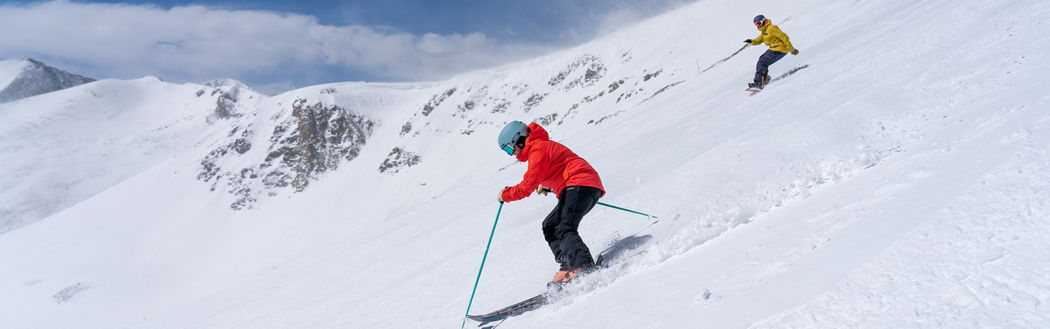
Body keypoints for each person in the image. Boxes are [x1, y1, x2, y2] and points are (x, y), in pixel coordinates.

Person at [496, 121, 605, 285]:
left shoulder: (538, 149)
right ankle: (568, 263)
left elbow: (527, 187)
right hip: (579, 185)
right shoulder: (539, 148)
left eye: (509, 149)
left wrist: (506, 194)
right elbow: (557, 166)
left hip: (580, 183)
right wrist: (547, 184)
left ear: (519, 140)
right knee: (550, 225)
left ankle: (582, 265)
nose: (511, 154)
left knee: (564, 227)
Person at [745, 15, 799, 89]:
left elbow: (784, 37)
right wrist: (751, 41)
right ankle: (765, 79)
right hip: (774, 49)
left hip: (780, 49)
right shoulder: (764, 31)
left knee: (762, 62)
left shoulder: (772, 28)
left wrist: (791, 49)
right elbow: (759, 40)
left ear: (763, 21)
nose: (757, 26)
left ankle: (759, 83)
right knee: (761, 59)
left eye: (758, 24)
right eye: (756, 25)